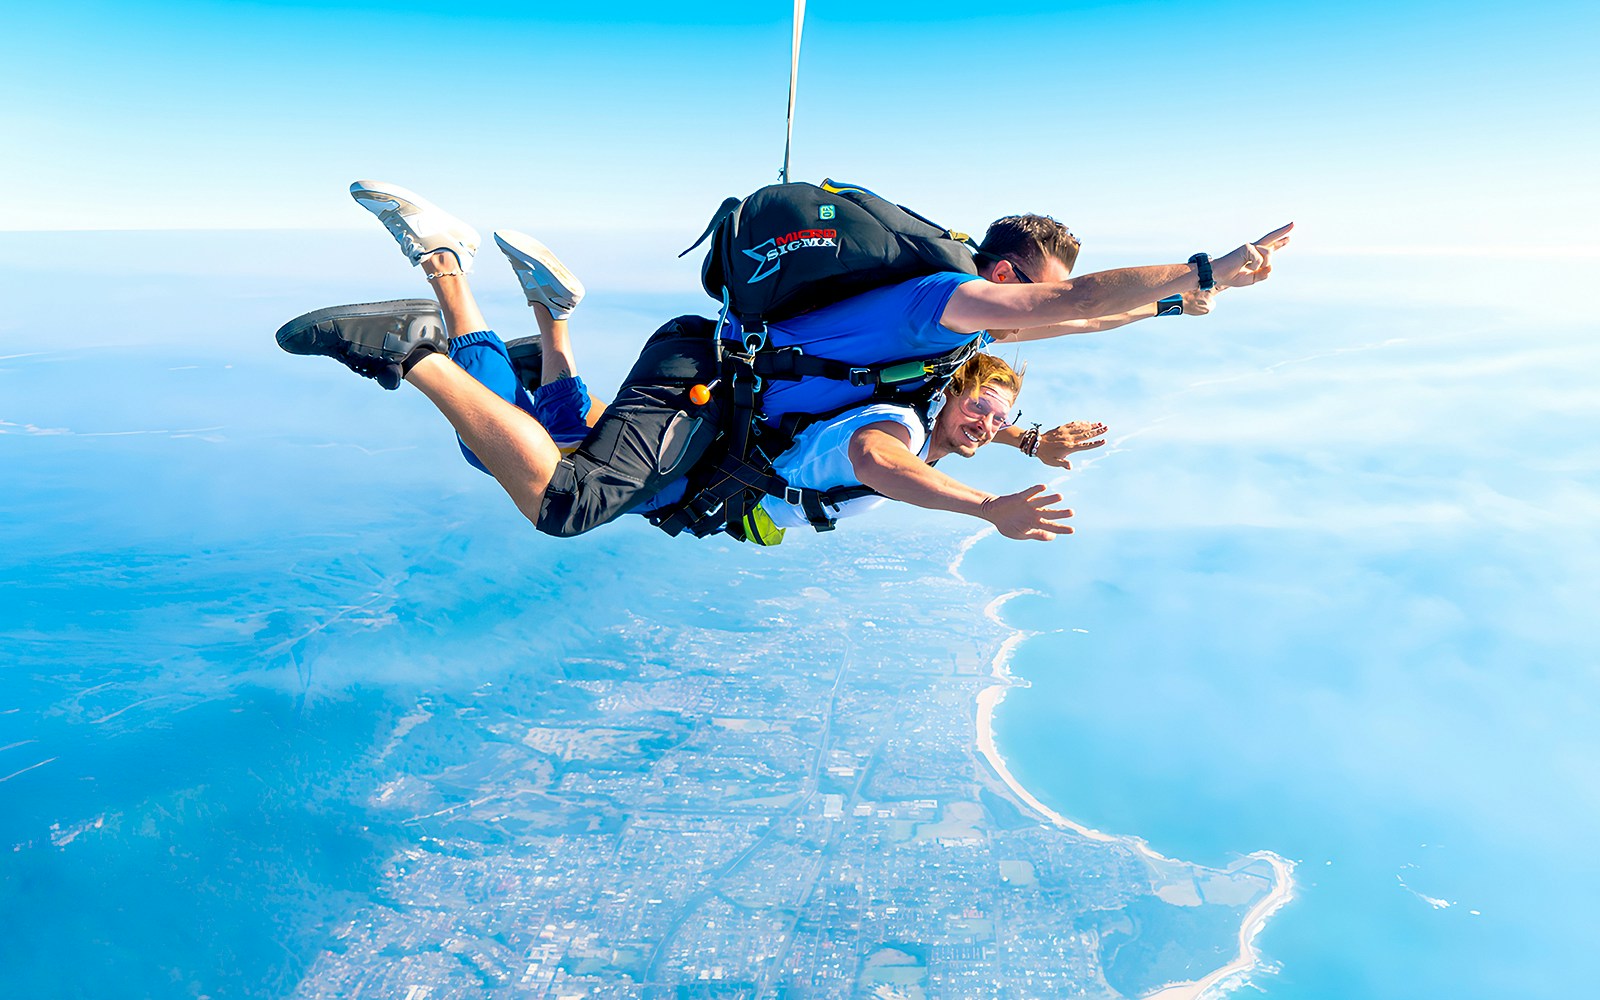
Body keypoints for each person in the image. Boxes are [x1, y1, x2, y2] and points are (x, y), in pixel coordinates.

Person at [279, 181, 1286, 540]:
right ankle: (418, 341)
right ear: (1011, 269)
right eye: (1030, 292)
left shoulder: (957, 336)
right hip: (703, 386)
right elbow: (1068, 304)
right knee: (560, 502)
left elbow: (1081, 320)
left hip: (713, 389)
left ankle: (495, 300)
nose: (1032, 320)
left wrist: (1191, 302)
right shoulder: (950, 303)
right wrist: (1211, 263)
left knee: (506, 445)